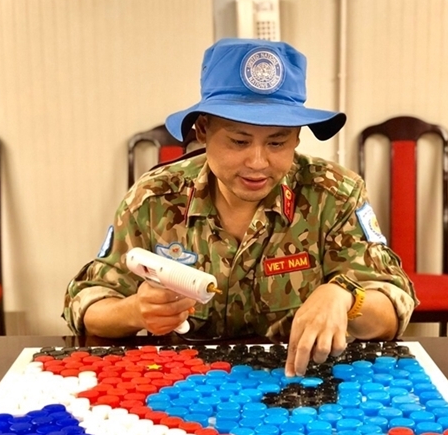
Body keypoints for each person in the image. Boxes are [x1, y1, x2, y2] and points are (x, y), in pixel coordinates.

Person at [63, 38, 417, 376]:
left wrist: (344, 297)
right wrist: (134, 312)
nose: (258, 162)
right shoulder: (155, 198)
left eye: (277, 142)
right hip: (181, 388)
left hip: (301, 393)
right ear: (202, 130)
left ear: (297, 136)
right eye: (239, 140)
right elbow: (87, 302)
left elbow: (393, 306)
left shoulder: (334, 195)